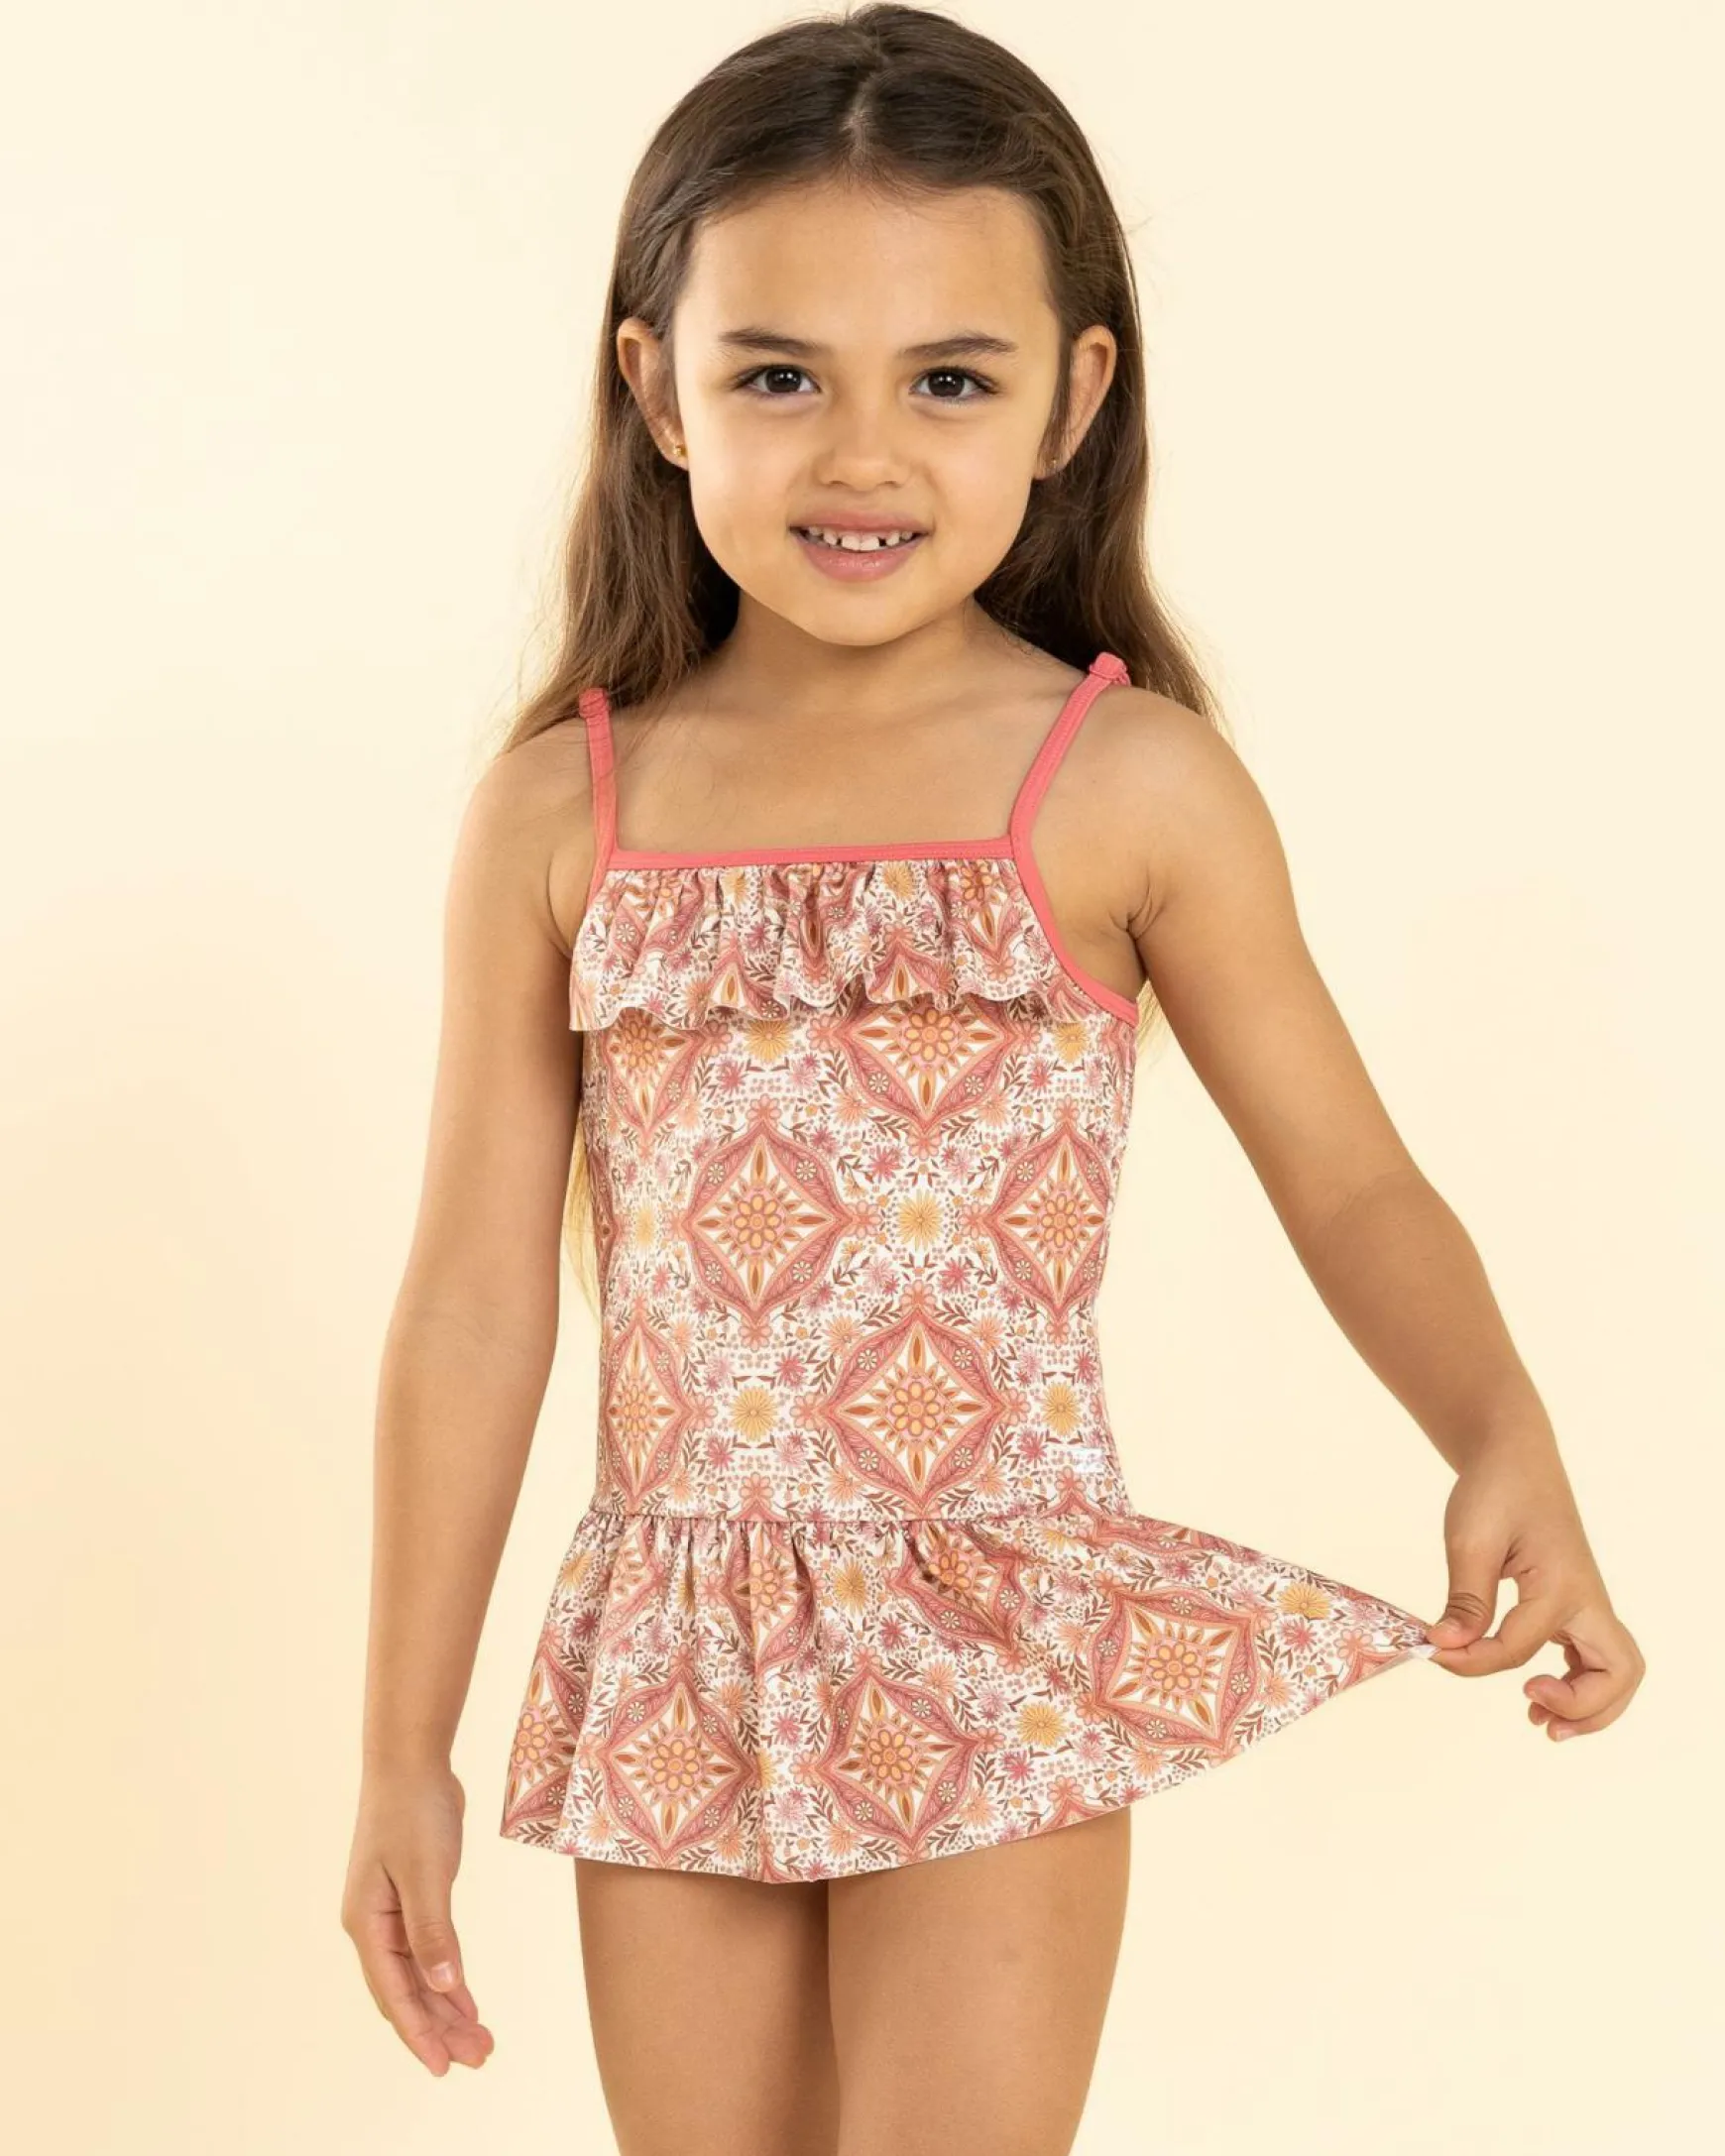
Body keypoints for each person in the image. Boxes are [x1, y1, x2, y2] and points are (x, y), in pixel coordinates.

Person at [341, 5, 1644, 2147]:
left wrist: (1503, 1429)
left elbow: (1352, 1182)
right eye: (780, 376)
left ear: (1071, 400)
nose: (863, 456)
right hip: (672, 1640)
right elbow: (476, 1300)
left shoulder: (1127, 783)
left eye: (948, 379)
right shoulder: (560, 811)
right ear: (654, 387)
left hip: (994, 1615)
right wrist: (402, 1746)